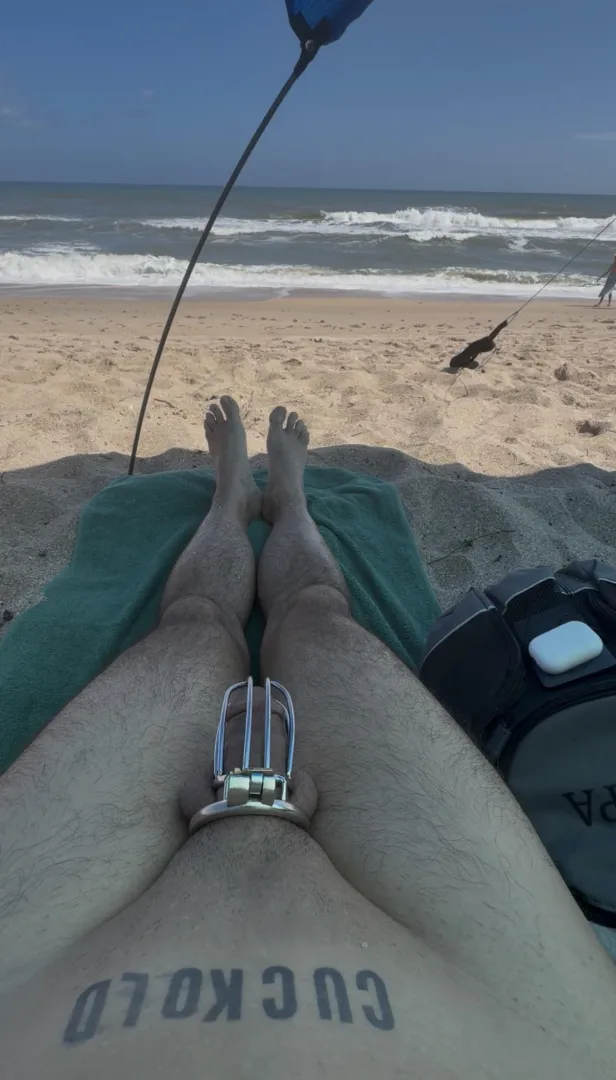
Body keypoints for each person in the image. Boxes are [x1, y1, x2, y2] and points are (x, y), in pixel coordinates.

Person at [0, 396, 615, 1080]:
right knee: (317, 616)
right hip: (529, 1015)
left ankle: (249, 500)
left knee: (196, 624)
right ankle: (263, 500)